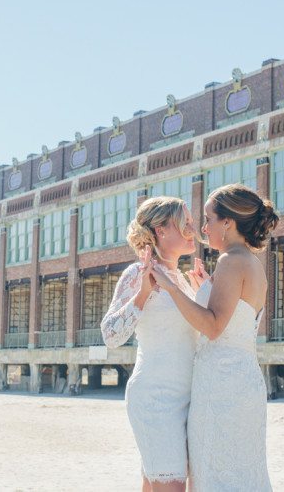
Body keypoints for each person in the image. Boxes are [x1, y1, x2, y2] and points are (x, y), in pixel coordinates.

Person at [149, 183, 279, 491]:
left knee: (216, 474)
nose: (204, 228)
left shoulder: (231, 261)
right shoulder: (250, 262)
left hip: (222, 387)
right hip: (241, 379)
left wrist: (169, 286)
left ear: (228, 222)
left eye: (208, 219)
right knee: (241, 471)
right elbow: (235, 321)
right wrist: (202, 290)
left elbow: (213, 327)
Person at [100, 196, 206, 492]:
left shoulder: (183, 280)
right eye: (185, 223)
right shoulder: (137, 273)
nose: (193, 229)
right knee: (171, 486)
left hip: (188, 401)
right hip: (155, 399)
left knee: (157, 484)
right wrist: (143, 293)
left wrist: (204, 295)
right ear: (161, 229)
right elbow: (110, 335)